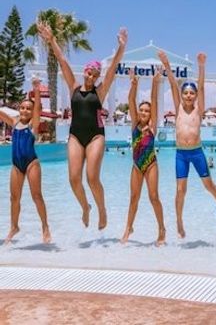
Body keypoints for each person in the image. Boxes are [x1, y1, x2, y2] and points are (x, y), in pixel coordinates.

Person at [36, 21, 124, 230]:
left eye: (95, 75)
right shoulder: (74, 87)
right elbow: (62, 60)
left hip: (95, 136)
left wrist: (121, 47)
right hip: (75, 136)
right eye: (89, 73)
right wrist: (51, 40)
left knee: (92, 177)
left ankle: (102, 210)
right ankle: (86, 207)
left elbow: (112, 69)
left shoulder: (100, 92)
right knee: (74, 179)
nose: (91, 77)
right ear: (84, 71)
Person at [158, 51, 216, 238]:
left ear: (196, 96)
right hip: (181, 154)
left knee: (209, 185)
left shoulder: (199, 109)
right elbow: (173, 84)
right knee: (180, 190)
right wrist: (166, 64)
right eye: (186, 93)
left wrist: (202, 66)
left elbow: (203, 89)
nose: (189, 96)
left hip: (197, 152)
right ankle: (179, 221)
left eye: (192, 93)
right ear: (181, 95)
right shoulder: (178, 108)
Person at [120, 66, 165, 246]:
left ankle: (161, 229)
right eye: (142, 110)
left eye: (147, 110)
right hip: (136, 166)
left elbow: (154, 100)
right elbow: (131, 99)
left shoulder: (152, 127)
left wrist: (155, 82)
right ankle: (128, 228)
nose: (144, 113)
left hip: (151, 164)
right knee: (133, 198)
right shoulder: (134, 125)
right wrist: (134, 84)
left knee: (153, 197)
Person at [2, 79, 50, 245]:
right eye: (22, 107)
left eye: (28, 108)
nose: (25, 110)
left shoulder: (33, 125)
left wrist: (36, 90)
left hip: (31, 164)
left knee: (37, 196)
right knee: (14, 198)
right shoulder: (14, 123)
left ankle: (45, 226)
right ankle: (14, 227)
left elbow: (37, 109)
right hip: (16, 166)